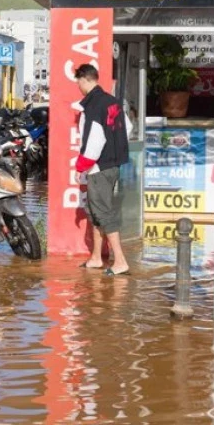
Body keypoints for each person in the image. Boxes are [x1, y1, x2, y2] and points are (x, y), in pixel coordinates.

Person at [73, 64, 132, 276]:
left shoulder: (94, 106)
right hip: (112, 165)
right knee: (95, 212)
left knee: (104, 214)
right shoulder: (112, 102)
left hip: (99, 168)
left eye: (78, 82)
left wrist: (81, 166)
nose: (78, 86)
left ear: (84, 80)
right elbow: (129, 128)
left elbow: (95, 140)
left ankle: (120, 261)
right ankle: (97, 258)